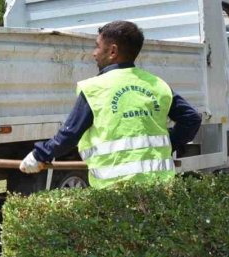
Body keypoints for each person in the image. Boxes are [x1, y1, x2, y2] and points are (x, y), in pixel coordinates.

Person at [20, 20, 202, 189]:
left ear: (113, 51)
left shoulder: (95, 88)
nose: (94, 53)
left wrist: (39, 155)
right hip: (159, 188)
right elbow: (191, 119)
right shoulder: (157, 85)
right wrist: (168, 145)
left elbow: (69, 134)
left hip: (114, 192)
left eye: (97, 46)